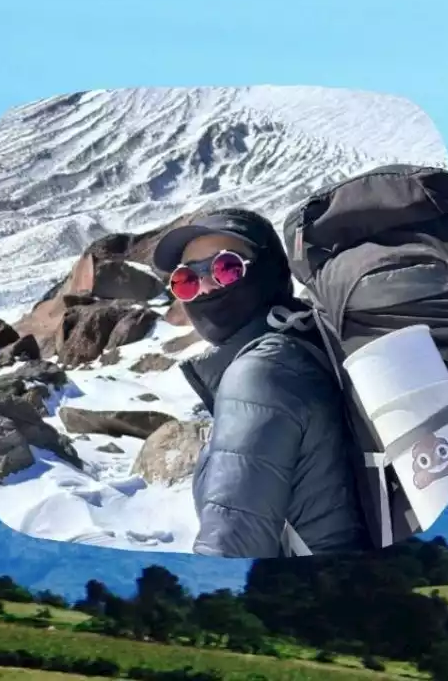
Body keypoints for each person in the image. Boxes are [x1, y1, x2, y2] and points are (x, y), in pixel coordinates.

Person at [150, 208, 367, 558]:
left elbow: (230, 544)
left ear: (269, 270)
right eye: (187, 279)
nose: (205, 288)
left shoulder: (259, 372)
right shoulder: (306, 340)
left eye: (225, 268)